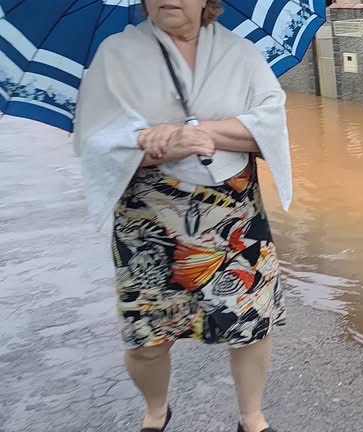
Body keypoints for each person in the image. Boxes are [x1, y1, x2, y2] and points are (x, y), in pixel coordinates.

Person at [73, 1, 292, 431]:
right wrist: (147, 142)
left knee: (250, 324)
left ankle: (251, 416)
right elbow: (94, 141)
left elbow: (270, 128)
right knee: (148, 340)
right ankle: (156, 411)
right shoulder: (116, 54)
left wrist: (196, 132)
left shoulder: (240, 53)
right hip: (148, 218)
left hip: (233, 213)